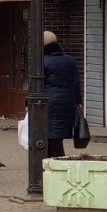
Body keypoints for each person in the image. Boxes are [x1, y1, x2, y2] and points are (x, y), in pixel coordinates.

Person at [43, 31, 83, 159]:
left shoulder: (42, 61)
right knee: (57, 136)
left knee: (50, 136)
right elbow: (76, 82)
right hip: (67, 101)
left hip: (49, 102)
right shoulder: (69, 60)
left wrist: (27, 104)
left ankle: (56, 164)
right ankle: (52, 162)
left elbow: (37, 84)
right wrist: (78, 101)